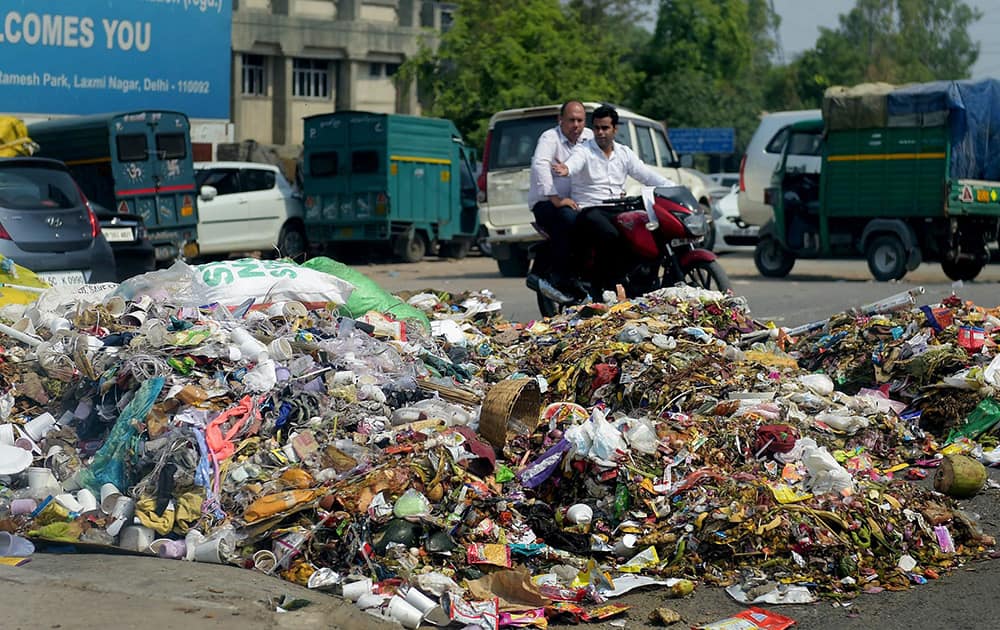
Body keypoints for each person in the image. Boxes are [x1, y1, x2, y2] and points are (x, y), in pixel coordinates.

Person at [555, 104, 675, 293]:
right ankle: (602, 287)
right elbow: (574, 163)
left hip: (618, 208)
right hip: (590, 210)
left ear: (615, 129)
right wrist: (566, 169)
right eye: (596, 128)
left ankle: (640, 280)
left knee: (647, 231)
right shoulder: (584, 150)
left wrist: (674, 188)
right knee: (612, 236)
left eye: (605, 128)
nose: (600, 133)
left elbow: (646, 175)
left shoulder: (624, 153)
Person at [527, 100, 593, 300]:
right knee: (569, 220)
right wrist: (556, 198)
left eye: (580, 120)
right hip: (547, 203)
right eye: (571, 120)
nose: (576, 125)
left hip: (579, 202)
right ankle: (562, 276)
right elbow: (540, 166)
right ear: (560, 120)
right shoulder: (550, 138)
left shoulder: (589, 137)